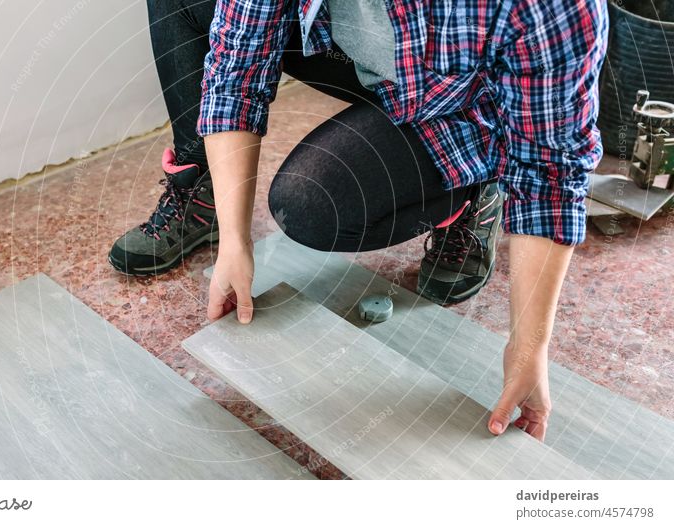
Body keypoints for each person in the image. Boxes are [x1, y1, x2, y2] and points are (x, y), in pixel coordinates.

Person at [110, 0, 608, 442]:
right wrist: (235, 242)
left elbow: (550, 172)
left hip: (464, 104)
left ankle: (473, 188)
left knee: (310, 203)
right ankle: (202, 197)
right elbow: (237, 64)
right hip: (372, 48)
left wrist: (528, 347)